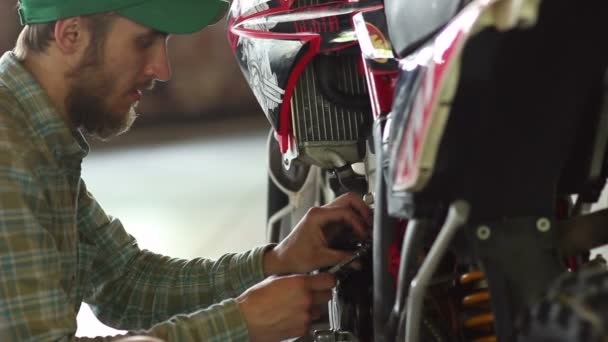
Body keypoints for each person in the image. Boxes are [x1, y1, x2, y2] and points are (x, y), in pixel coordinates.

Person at [0, 0, 373, 341]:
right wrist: (243, 323)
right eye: (143, 42)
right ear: (71, 34)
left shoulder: (37, 134)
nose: (162, 69)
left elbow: (124, 283)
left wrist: (277, 260)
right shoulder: (9, 155)